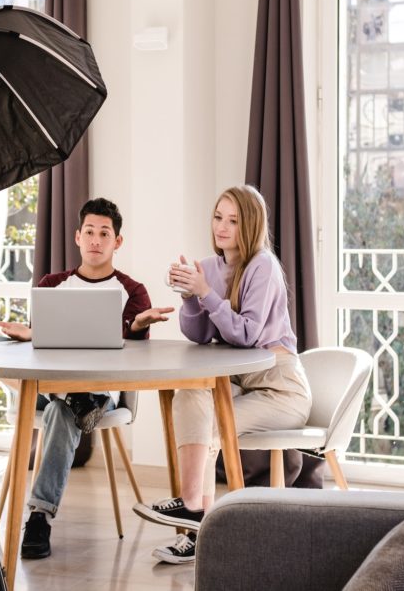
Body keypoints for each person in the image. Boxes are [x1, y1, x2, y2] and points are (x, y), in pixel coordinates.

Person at [133, 185, 313, 564]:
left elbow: (247, 335)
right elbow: (200, 335)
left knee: (213, 425)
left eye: (233, 220)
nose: (222, 227)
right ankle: (195, 515)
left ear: (250, 225)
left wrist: (206, 294)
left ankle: (195, 520)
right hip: (238, 380)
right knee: (191, 394)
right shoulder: (210, 267)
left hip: (281, 389)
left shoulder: (263, 266)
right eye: (218, 217)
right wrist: (189, 296)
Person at [0, 197, 173, 560]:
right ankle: (76, 399)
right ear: (77, 237)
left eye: (104, 233)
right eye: (89, 232)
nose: (95, 240)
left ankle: (39, 518)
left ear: (117, 242)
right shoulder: (52, 283)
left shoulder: (132, 291)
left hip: (100, 392)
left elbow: (136, 358)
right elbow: (41, 348)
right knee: (8, 353)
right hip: (50, 389)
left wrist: (136, 327)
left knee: (61, 413)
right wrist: (31, 334)